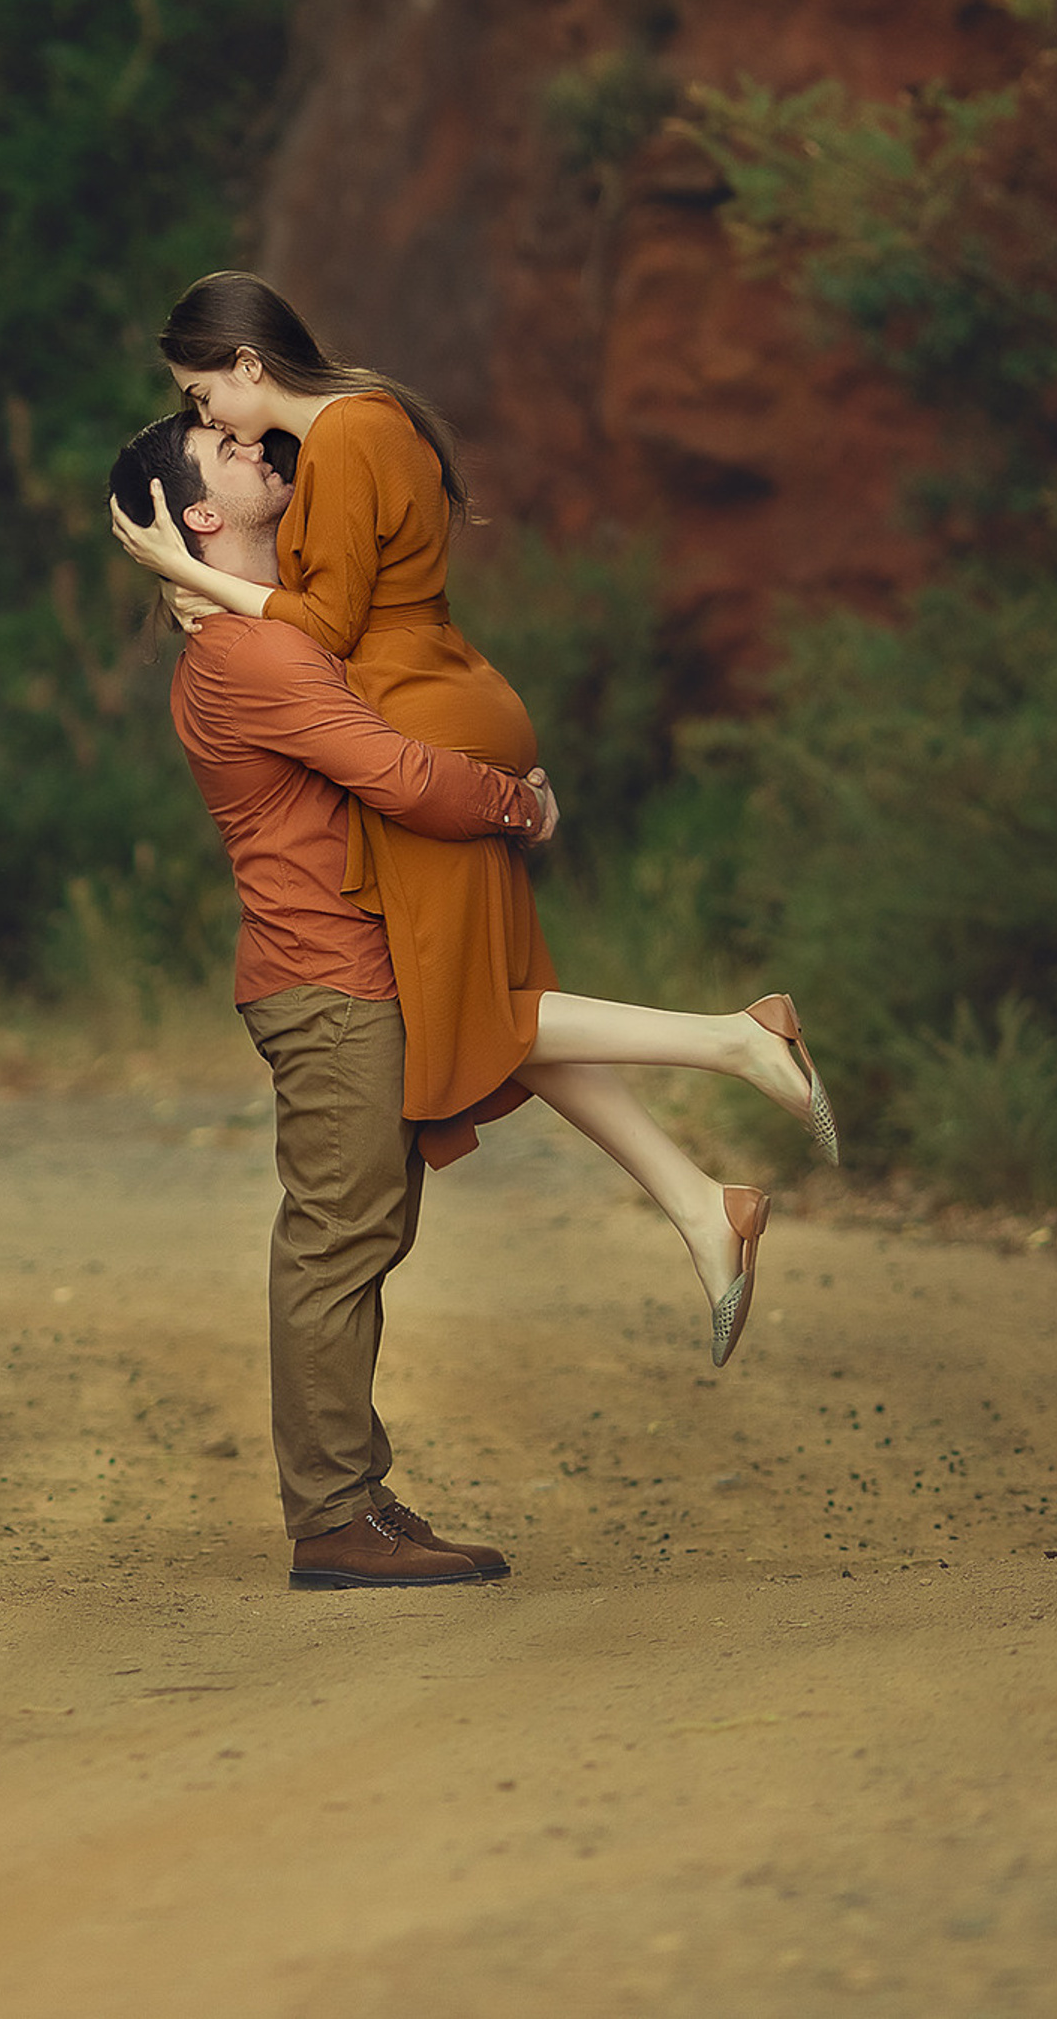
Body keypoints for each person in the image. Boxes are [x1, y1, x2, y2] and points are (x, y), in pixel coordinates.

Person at [109, 272, 831, 1370]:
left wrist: (180, 570)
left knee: (471, 1010)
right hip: (438, 694)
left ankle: (738, 1042)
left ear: (249, 365)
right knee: (487, 1003)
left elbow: (323, 620)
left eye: (204, 395)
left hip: (421, 717)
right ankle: (700, 1203)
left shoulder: (348, 434)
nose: (209, 417)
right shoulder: (358, 429)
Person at [110, 410, 547, 1588]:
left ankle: (355, 1493)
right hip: (329, 981)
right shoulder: (249, 653)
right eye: (225, 453)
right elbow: (400, 776)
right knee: (336, 1241)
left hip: (350, 970)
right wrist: (515, 802)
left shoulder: (282, 629)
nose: (255, 448)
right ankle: (331, 1520)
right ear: (196, 518)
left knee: (364, 1235)